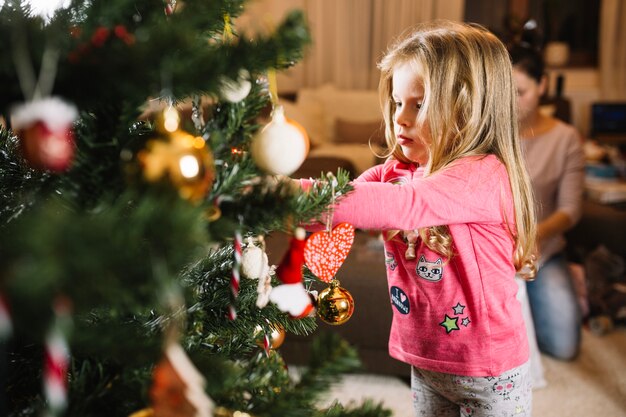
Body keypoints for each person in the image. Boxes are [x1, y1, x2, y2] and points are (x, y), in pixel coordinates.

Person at [297, 21, 537, 416]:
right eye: (397, 102)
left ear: (467, 108)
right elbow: (345, 199)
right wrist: (284, 205)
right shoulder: (397, 169)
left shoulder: (482, 174)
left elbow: (400, 205)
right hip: (426, 358)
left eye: (419, 104)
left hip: (490, 371)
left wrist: (280, 193)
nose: (401, 118)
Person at [510, 44, 585, 361]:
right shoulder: (488, 133)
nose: (511, 103)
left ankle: (576, 275)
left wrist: (534, 236)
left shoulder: (565, 138)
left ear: (542, 85)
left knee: (563, 345)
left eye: (520, 92)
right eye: (504, 92)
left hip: (542, 251)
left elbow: (570, 209)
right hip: (491, 249)